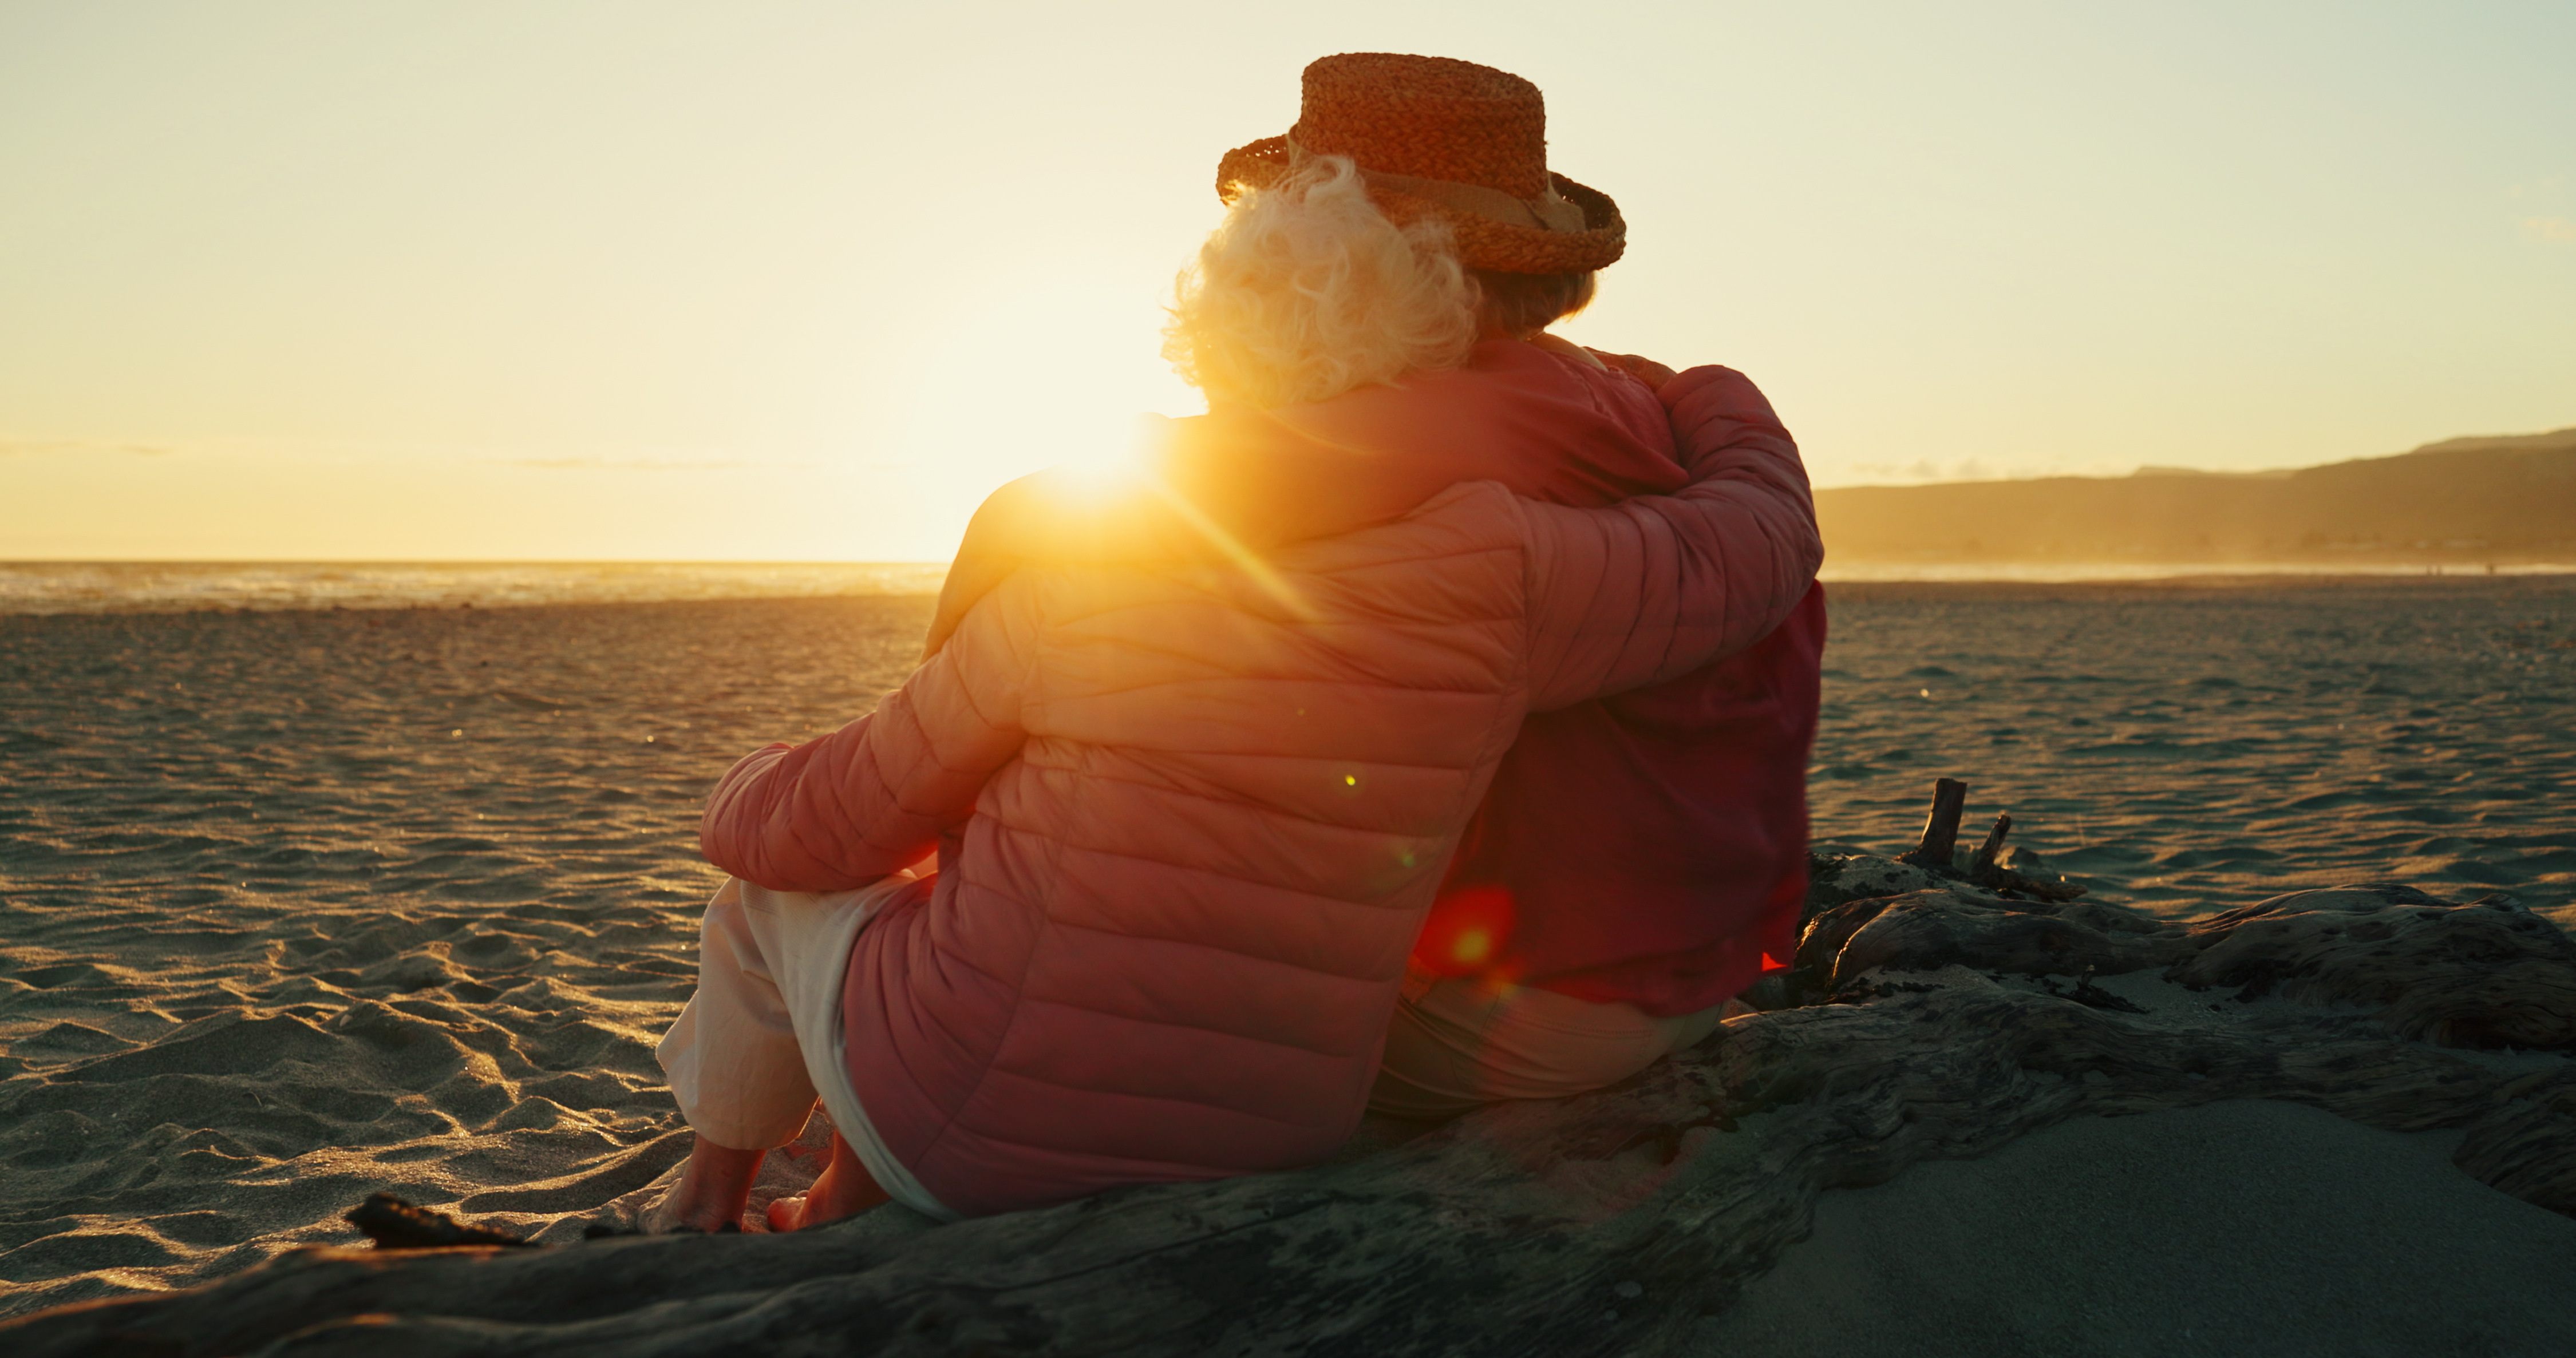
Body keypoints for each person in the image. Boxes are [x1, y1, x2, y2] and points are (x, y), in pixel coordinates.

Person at [650, 52, 1823, 1234]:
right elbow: (1752, 547)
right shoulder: (1619, 425)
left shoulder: (1285, 472)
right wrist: (1727, 400)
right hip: (1686, 977)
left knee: (902, 835)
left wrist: (758, 779)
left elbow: (1040, 543)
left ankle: (743, 1197)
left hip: (1506, 1011)